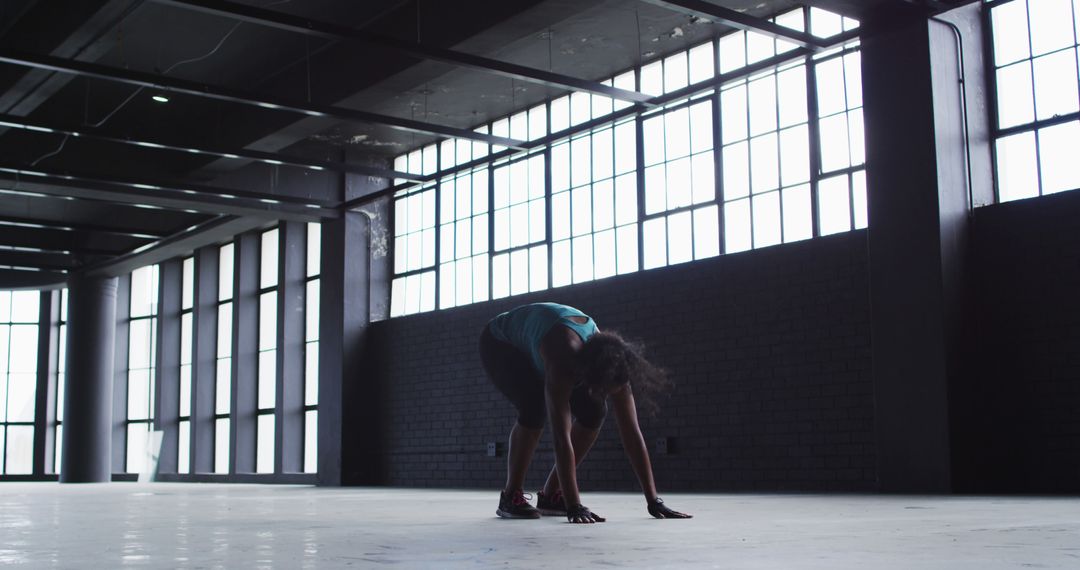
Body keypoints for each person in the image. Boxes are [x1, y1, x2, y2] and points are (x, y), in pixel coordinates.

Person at [478, 302, 691, 523]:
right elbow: (561, 439)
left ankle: (551, 495)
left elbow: (632, 434)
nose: (610, 394)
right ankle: (511, 496)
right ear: (591, 376)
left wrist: (653, 500)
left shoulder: (617, 364)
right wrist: (574, 506)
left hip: (545, 335)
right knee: (534, 408)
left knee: (594, 412)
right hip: (501, 343)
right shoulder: (561, 356)